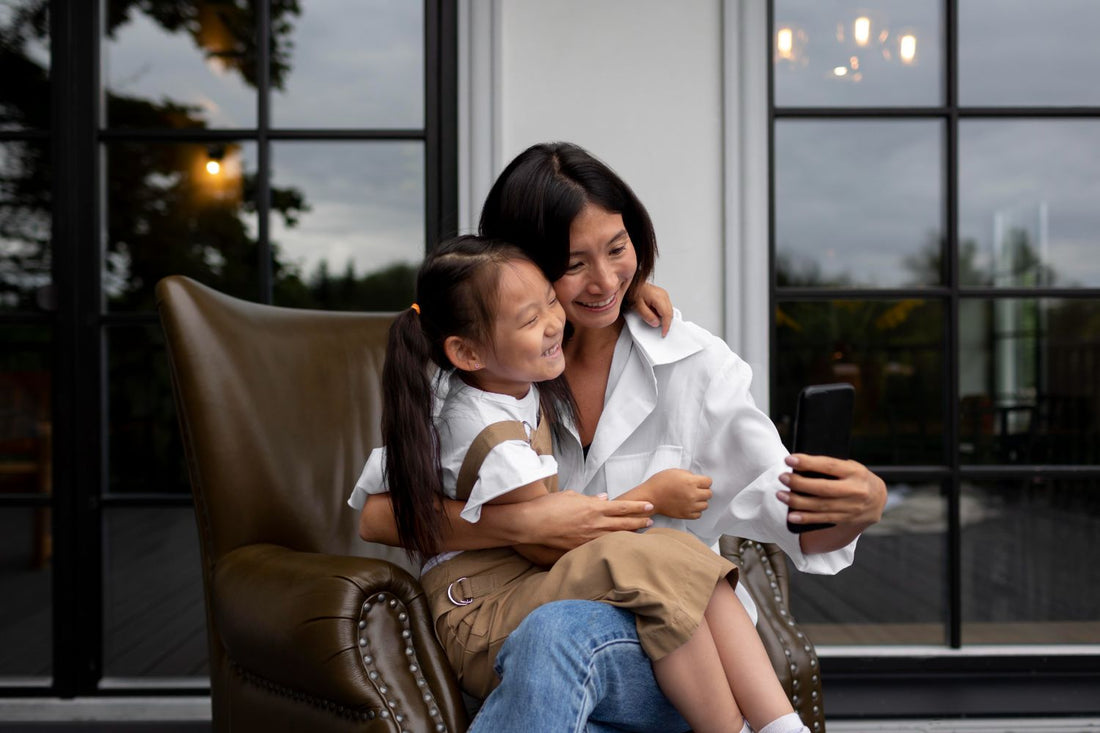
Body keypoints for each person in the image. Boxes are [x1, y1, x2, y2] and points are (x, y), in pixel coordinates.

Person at [357, 142, 888, 732]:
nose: (605, 281)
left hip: (675, 657)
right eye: (574, 263)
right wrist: (521, 524)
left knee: (562, 631)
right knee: (555, 635)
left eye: (617, 250)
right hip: (519, 641)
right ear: (517, 267)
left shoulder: (693, 364)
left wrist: (859, 505)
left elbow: (786, 515)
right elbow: (382, 514)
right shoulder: (481, 383)